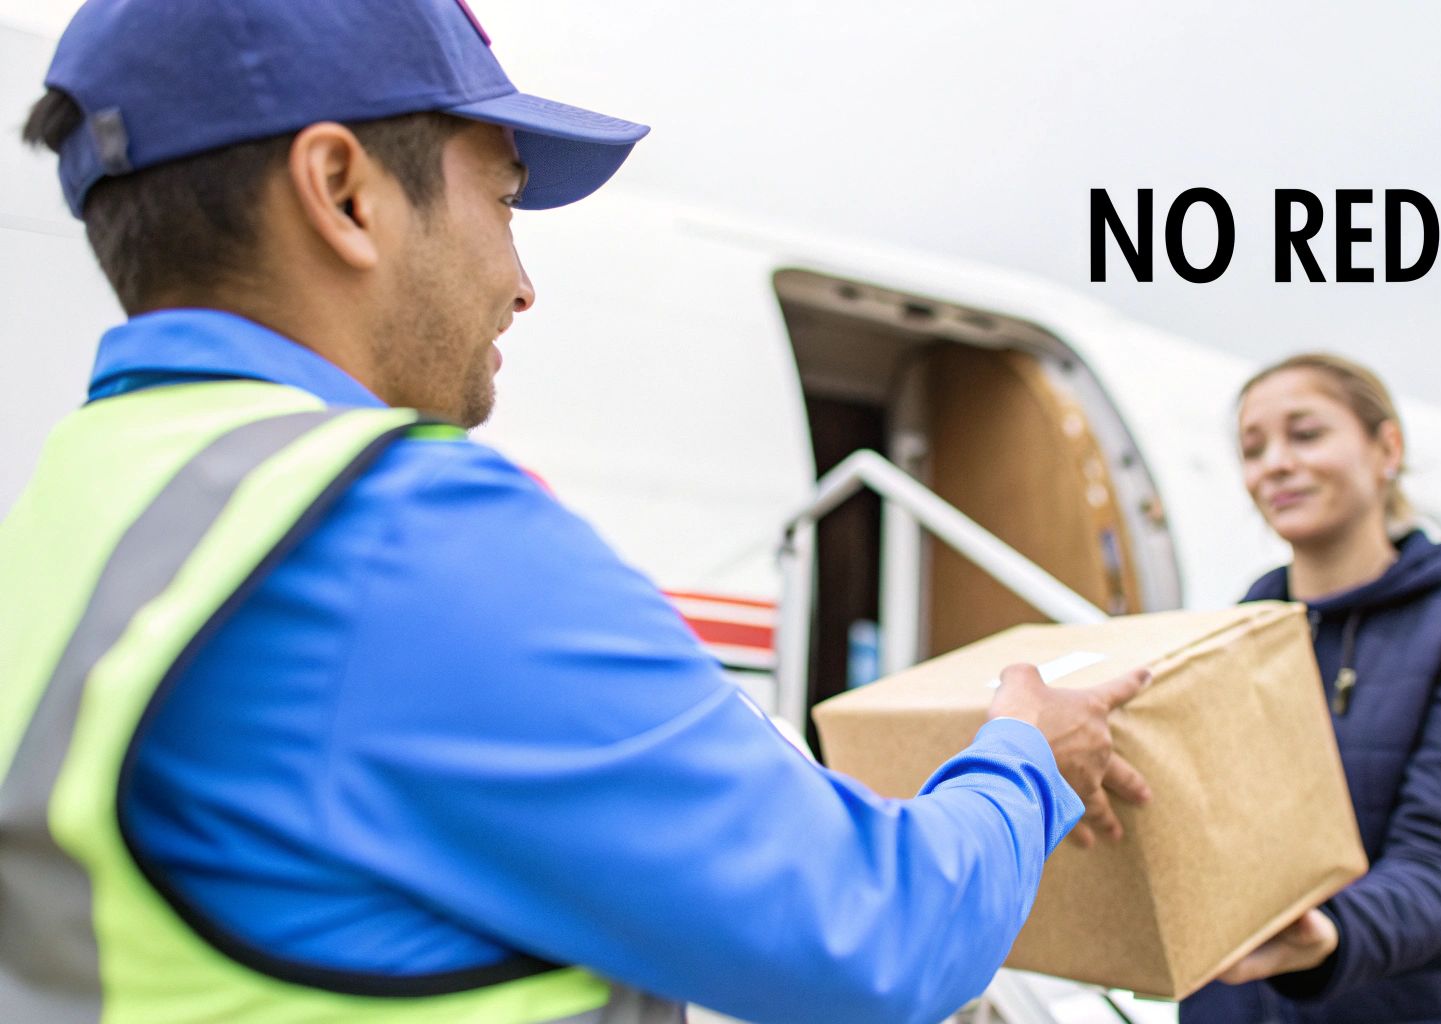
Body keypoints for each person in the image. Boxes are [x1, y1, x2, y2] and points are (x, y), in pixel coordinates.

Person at [0, 3, 1151, 1023]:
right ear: (343, 192)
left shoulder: (81, 502)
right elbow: (876, 936)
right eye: (502, 201)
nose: (520, 278)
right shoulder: (391, 533)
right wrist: (1025, 757)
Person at [1180, 353, 1441, 1024]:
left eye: (1306, 434)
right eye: (1253, 448)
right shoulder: (1225, 644)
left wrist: (1334, 937)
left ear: (1388, 448)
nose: (1275, 465)